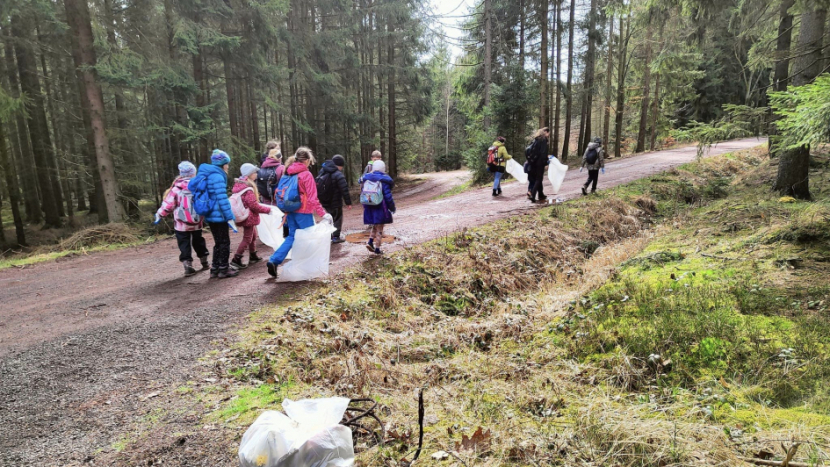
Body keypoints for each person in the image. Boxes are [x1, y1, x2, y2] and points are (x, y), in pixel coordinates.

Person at [266, 147, 331, 279]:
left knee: (292, 237)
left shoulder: (288, 172)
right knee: (309, 238)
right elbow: (312, 198)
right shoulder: (306, 175)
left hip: (290, 210)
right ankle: (307, 267)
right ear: (306, 160)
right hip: (304, 211)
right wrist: (322, 213)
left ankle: (274, 260)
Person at [154, 161, 209, 276]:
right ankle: (204, 261)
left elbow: (168, 205)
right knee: (198, 241)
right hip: (196, 221)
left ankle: (188, 265)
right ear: (194, 173)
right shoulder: (198, 186)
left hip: (181, 224)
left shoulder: (176, 189)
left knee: (184, 243)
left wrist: (160, 214)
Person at [198, 149, 239, 279]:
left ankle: (215, 268)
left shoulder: (209, 174)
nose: (228, 166)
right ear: (223, 164)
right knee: (224, 242)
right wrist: (229, 217)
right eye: (227, 163)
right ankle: (224, 269)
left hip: (210, 213)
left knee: (218, 242)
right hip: (219, 215)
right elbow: (222, 199)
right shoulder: (218, 176)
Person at [231, 163, 273, 270]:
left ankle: (253, 255)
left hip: (245, 215)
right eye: (254, 172)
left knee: (253, 235)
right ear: (249, 174)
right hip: (249, 217)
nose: (256, 174)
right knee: (247, 238)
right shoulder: (248, 189)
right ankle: (236, 259)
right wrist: (268, 210)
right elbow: (253, 205)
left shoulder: (240, 185)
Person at [359, 160, 396, 255]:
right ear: (383, 169)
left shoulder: (366, 178)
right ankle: (377, 248)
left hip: (369, 206)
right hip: (381, 207)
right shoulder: (384, 180)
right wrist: (392, 207)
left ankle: (370, 241)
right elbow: (388, 196)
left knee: (375, 225)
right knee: (380, 228)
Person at [317, 154, 353, 243]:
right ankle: (336, 237)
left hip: (325, 201)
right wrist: (348, 202)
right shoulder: (338, 174)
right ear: (339, 165)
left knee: (329, 218)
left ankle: (329, 235)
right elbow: (344, 189)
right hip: (335, 202)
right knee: (337, 218)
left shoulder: (323, 171)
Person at [526, 127, 550, 203]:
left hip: (534, 162)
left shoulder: (536, 140)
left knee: (538, 178)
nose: (548, 135)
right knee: (539, 179)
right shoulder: (543, 140)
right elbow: (543, 153)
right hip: (540, 162)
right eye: (548, 133)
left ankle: (541, 194)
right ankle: (533, 195)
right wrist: (546, 163)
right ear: (546, 132)